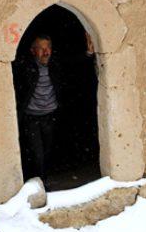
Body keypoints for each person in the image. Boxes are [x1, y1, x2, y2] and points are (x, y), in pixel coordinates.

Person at [13, 32, 95, 181]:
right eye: (40, 48)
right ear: (33, 51)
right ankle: (41, 183)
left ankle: (44, 177)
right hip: (31, 117)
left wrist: (88, 53)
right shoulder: (25, 66)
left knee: (48, 150)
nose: (46, 52)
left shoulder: (55, 63)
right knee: (37, 153)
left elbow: (73, 63)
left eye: (48, 47)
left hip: (50, 116)